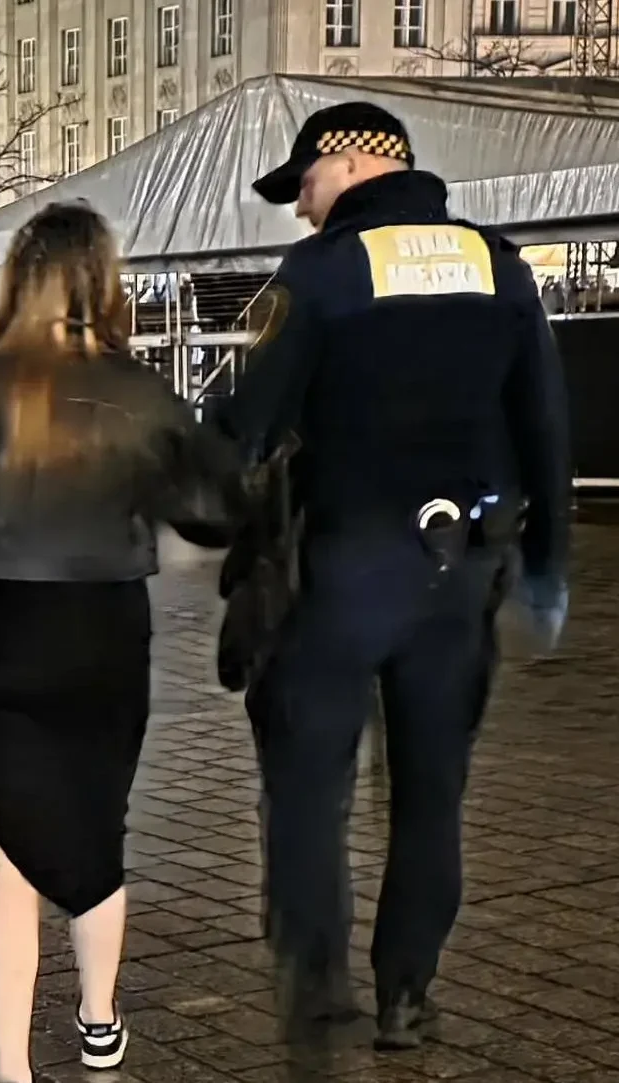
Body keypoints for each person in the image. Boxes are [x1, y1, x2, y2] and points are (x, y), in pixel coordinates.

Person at [0, 202, 242, 1080]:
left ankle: (11, 1065)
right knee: (100, 822)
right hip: (106, 635)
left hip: (6, 640)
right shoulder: (140, 392)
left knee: (9, 847)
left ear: (16, 282)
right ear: (105, 282)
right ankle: (99, 1017)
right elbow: (214, 513)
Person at [223, 102, 570, 1048]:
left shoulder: (322, 271)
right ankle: (406, 994)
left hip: (340, 568)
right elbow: (545, 427)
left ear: (347, 163)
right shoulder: (500, 267)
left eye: (303, 183)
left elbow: (246, 425)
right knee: (430, 794)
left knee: (307, 786)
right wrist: (546, 572)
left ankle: (315, 990)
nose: (301, 205)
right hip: (459, 575)